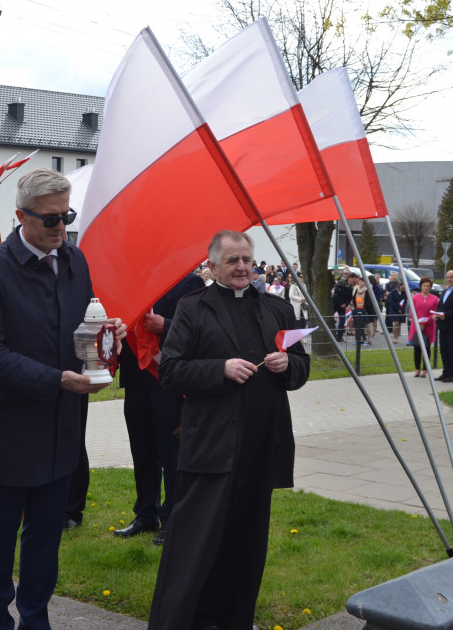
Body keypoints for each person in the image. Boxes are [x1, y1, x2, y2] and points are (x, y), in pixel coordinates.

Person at [0, 168, 125, 630]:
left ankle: (35, 619)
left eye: (66, 217)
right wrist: (57, 380)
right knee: (0, 538)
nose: (60, 228)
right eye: (51, 219)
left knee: (46, 537)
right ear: (21, 216)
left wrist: (107, 336)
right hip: (11, 427)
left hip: (60, 425)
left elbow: (82, 328)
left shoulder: (75, 260)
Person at [148, 230, 309, 630]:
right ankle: (182, 620)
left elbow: (301, 367)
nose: (241, 267)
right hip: (212, 446)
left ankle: (236, 618)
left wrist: (287, 365)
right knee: (197, 540)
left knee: (246, 541)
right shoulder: (192, 308)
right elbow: (171, 371)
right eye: (232, 260)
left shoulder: (276, 308)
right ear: (213, 265)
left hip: (261, 444)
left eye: (247, 260)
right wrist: (219, 369)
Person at [115, 272, 204, 546]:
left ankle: (173, 519)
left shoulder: (189, 282)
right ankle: (145, 514)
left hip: (168, 381)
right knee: (142, 453)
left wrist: (164, 325)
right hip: (135, 380)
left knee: (171, 456)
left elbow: (199, 327)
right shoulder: (132, 284)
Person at [408, 277, 438, 378]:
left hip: (429, 326)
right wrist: (418, 323)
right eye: (424, 286)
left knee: (427, 348)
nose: (426, 288)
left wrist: (426, 321)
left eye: (428, 286)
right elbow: (412, 311)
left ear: (430, 287)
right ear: (421, 286)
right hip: (416, 326)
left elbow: (435, 312)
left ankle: (425, 370)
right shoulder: (415, 298)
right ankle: (417, 369)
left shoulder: (434, 299)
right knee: (417, 348)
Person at [385, 276, 407, 344]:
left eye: (404, 286)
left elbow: (405, 301)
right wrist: (398, 309)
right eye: (402, 286)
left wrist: (402, 309)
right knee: (396, 323)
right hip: (394, 309)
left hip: (401, 309)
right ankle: (394, 337)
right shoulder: (393, 291)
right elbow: (391, 301)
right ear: (399, 286)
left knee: (399, 323)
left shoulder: (404, 292)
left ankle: (397, 336)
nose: (403, 287)